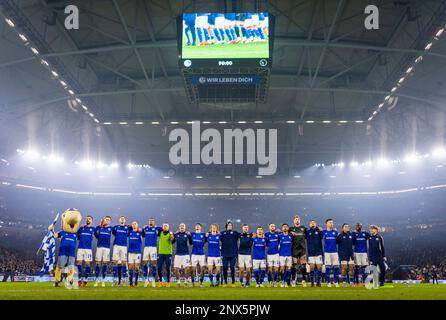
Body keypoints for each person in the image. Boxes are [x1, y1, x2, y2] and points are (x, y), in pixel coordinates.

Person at [142, 217, 162, 287]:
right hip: (146, 247)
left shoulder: (157, 229)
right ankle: (146, 280)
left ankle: (153, 280)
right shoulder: (145, 228)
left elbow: (165, 229)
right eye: (150, 220)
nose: (151, 222)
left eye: (152, 221)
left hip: (153, 247)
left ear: (154, 222)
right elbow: (142, 235)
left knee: (154, 264)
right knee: (145, 263)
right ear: (148, 221)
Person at [94, 216, 113, 287]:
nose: (107, 221)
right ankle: (96, 279)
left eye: (108, 220)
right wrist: (100, 225)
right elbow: (95, 233)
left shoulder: (111, 228)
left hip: (107, 248)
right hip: (99, 247)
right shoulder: (99, 227)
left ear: (110, 221)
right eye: (106, 219)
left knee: (105, 263)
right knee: (98, 263)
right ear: (104, 220)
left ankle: (103, 280)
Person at [76, 215, 95, 287]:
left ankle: (85, 280)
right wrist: (80, 227)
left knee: (87, 264)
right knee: (79, 263)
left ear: (92, 221)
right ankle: (79, 279)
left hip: (88, 249)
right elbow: (77, 235)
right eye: (87, 219)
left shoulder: (93, 229)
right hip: (80, 247)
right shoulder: (81, 228)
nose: (88, 220)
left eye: (89, 219)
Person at [289, 215, 307, 287]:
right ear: (294, 221)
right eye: (296, 219)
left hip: (302, 249)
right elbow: (284, 232)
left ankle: (304, 280)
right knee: (294, 265)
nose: (297, 220)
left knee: (303, 265)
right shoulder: (291, 229)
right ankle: (293, 280)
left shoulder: (304, 228)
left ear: (300, 220)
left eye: (298, 219)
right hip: (294, 249)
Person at [220, 222, 240, 287]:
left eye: (231, 225)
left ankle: (233, 282)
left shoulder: (235, 233)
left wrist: (251, 234)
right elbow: (215, 235)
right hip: (224, 254)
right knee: (225, 268)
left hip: (233, 254)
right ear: (226, 226)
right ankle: (225, 282)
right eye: (229, 225)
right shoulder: (222, 233)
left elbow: (243, 235)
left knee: (232, 268)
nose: (230, 226)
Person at [111, 216, 129, 286]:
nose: (122, 219)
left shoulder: (127, 227)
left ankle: (123, 280)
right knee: (115, 262)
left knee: (124, 262)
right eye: (121, 218)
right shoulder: (116, 227)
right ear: (119, 220)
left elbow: (135, 229)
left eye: (123, 218)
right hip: (116, 245)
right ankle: (115, 280)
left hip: (124, 246)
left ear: (125, 220)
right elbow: (112, 232)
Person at [321, 218, 340, 287]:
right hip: (327, 252)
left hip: (335, 252)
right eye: (329, 222)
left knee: (336, 267)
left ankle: (336, 282)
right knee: (328, 267)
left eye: (332, 222)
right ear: (326, 224)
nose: (331, 224)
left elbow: (338, 241)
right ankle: (328, 282)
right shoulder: (323, 232)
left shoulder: (335, 232)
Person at [157, 223, 175, 287]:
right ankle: (160, 282)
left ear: (168, 227)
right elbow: (156, 228)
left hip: (168, 253)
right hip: (160, 253)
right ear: (162, 227)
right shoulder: (160, 233)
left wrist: (172, 236)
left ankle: (168, 282)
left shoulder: (171, 234)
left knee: (168, 268)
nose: (165, 227)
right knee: (159, 267)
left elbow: (172, 241)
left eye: (166, 226)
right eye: (164, 226)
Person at [306, 220, 323, 287]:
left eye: (314, 223)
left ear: (316, 224)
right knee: (312, 267)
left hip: (318, 252)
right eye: (311, 223)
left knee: (319, 267)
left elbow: (322, 237)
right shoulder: (307, 232)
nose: (313, 224)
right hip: (311, 252)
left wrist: (321, 230)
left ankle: (318, 282)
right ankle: (312, 282)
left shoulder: (319, 231)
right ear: (309, 224)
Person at [173, 223, 192, 287]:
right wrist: (172, 235)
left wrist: (190, 236)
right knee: (176, 269)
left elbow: (191, 243)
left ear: (185, 228)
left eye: (183, 226)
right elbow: (172, 242)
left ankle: (186, 282)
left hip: (186, 254)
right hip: (178, 254)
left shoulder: (187, 235)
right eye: (181, 226)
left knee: (187, 268)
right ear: (179, 227)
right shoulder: (176, 234)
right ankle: (178, 283)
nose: (182, 227)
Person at [352, 223, 370, 287]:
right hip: (356, 253)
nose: (358, 227)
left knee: (364, 269)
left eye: (359, 226)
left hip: (364, 253)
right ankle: (357, 283)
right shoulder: (353, 233)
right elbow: (352, 241)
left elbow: (370, 236)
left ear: (361, 227)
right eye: (357, 226)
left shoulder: (365, 233)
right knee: (356, 269)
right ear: (355, 227)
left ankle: (365, 283)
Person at [190, 223, 207, 287]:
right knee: (192, 269)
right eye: (196, 226)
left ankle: (201, 283)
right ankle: (193, 283)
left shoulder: (204, 234)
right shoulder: (192, 234)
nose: (197, 227)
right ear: (195, 227)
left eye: (199, 226)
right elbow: (186, 233)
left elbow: (210, 235)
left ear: (201, 228)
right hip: (194, 254)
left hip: (201, 254)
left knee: (202, 269)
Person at [127, 221, 142, 287]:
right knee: (130, 267)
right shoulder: (129, 232)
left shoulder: (140, 232)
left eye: (135, 224)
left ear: (137, 225)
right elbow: (126, 228)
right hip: (130, 252)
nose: (134, 225)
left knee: (136, 267)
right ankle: (130, 283)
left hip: (138, 252)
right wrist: (129, 226)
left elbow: (144, 232)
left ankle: (136, 282)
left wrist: (140, 229)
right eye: (133, 224)